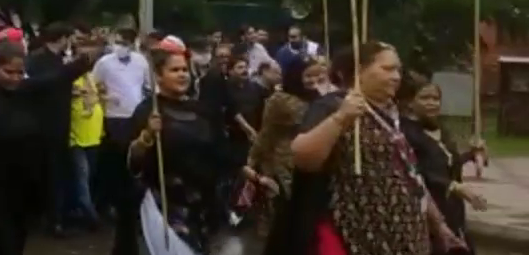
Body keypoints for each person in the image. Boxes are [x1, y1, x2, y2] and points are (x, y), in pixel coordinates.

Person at [277, 41, 464, 255]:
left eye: (398, 70)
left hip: (404, 238)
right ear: (359, 71)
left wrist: (437, 223)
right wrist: (341, 118)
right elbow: (303, 158)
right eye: (387, 69)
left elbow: (410, 173)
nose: (396, 77)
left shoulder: (391, 114)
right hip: (357, 235)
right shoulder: (333, 105)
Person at [0, 39, 93, 255]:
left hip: (22, 185)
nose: (15, 78)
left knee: (16, 242)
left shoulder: (25, 91)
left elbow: (55, 79)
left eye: (20, 72)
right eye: (9, 72)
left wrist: (84, 61)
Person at [128, 47, 247, 254]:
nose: (182, 74)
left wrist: (250, 173)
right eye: (174, 70)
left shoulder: (201, 110)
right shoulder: (149, 111)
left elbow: (220, 151)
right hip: (166, 205)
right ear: (158, 76)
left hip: (204, 204)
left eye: (184, 69)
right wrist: (147, 135)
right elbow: (133, 161)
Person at [400, 76, 487, 252]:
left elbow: (447, 163)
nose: (432, 103)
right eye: (425, 98)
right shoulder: (406, 132)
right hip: (427, 210)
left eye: (436, 98)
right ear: (410, 102)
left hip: (452, 209)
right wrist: (454, 186)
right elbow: (418, 170)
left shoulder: (441, 130)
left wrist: (473, 155)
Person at [245, 57, 321, 239]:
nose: (313, 80)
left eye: (317, 75)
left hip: (314, 160)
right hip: (284, 162)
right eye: (308, 75)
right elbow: (266, 132)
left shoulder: (319, 96)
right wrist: (251, 162)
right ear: (295, 76)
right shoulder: (279, 100)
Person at [91, 25, 148, 255]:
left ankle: (132, 204)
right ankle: (113, 203)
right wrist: (106, 97)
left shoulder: (141, 61)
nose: (122, 46)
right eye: (120, 41)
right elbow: (94, 85)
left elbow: (147, 85)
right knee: (115, 162)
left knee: (133, 162)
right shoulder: (104, 63)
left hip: (134, 117)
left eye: (127, 41)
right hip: (113, 118)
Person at [25, 22, 75, 237]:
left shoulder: (61, 61)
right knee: (43, 171)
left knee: (58, 172)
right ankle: (44, 216)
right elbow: (32, 85)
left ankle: (55, 216)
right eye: (68, 38)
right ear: (61, 38)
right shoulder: (36, 60)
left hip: (61, 123)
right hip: (41, 123)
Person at [65, 34, 105, 231]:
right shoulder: (69, 79)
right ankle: (92, 217)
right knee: (82, 178)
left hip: (94, 135)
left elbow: (98, 96)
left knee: (89, 178)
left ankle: (79, 210)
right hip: (76, 138)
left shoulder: (90, 77)